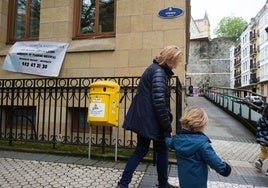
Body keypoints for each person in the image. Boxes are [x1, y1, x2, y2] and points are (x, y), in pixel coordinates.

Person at [117, 45, 183, 188]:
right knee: (161, 151)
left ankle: (123, 184)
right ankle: (162, 184)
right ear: (170, 60)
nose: (178, 64)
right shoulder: (159, 73)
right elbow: (159, 104)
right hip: (152, 121)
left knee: (141, 150)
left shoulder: (153, 69)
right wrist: (167, 128)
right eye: (177, 60)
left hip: (146, 119)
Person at [165, 107, 232, 188]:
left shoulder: (177, 140)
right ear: (201, 125)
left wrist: (167, 135)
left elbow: (168, 142)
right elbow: (214, 161)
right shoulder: (202, 145)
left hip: (184, 182)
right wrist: (225, 169)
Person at [255, 105, 268, 176]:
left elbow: (258, 127)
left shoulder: (261, 119)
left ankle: (260, 161)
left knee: (264, 152)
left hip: (262, 140)